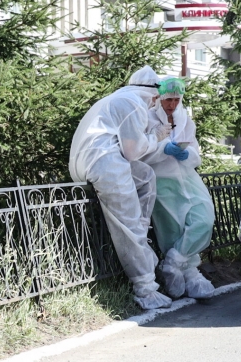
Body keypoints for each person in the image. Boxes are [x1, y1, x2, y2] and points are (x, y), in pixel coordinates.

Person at [69, 66, 184, 310]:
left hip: (92, 159)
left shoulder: (119, 98)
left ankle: (142, 233)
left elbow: (133, 158)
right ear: (152, 95)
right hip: (105, 162)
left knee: (145, 177)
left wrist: (151, 135)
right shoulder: (134, 104)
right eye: (156, 100)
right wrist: (156, 136)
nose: (156, 105)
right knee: (128, 227)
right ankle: (145, 290)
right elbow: (132, 151)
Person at [145, 77, 216, 299]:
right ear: (159, 99)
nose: (172, 104)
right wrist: (163, 149)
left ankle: (173, 264)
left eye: (176, 99)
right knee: (172, 229)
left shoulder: (185, 120)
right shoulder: (147, 119)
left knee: (204, 218)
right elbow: (140, 152)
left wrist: (187, 154)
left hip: (187, 177)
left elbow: (195, 154)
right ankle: (190, 275)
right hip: (162, 179)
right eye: (168, 100)